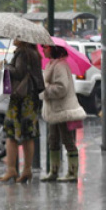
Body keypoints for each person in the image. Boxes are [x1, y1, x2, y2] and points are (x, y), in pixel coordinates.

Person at [39, 44, 86, 182]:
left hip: (62, 110)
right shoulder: (51, 65)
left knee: (67, 140)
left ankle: (72, 172)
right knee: (53, 140)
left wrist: (45, 89)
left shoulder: (60, 66)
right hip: (54, 110)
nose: (43, 49)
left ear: (53, 49)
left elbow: (61, 88)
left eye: (45, 47)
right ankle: (54, 171)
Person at [0, 39, 43, 183]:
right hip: (30, 98)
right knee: (28, 134)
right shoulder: (33, 53)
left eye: (17, 36)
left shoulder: (24, 53)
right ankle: (27, 169)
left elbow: (19, 72)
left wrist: (6, 66)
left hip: (20, 98)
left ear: (23, 39)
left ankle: (11, 169)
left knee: (11, 133)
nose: (14, 38)